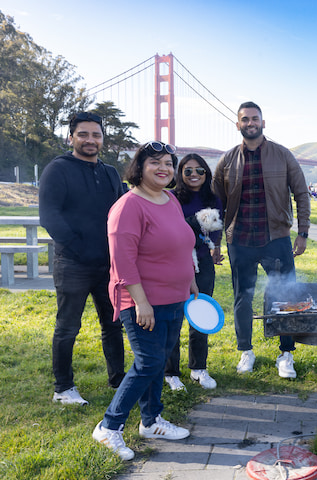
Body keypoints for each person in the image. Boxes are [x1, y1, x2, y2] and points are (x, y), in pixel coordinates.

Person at [92, 141, 198, 461]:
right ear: (140, 167)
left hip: (174, 297)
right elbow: (122, 261)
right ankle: (109, 427)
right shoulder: (128, 206)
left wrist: (190, 278)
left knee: (159, 358)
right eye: (155, 162)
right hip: (141, 301)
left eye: (168, 162)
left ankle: (151, 421)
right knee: (148, 362)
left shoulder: (170, 200)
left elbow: (180, 242)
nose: (163, 168)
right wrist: (141, 302)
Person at [213, 101, 311, 378]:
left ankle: (286, 354)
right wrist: (215, 242)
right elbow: (216, 203)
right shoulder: (227, 159)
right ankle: (246, 351)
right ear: (238, 124)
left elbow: (301, 194)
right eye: (245, 119)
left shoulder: (282, 155)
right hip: (239, 240)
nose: (250, 123)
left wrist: (302, 232)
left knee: (285, 295)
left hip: (276, 238)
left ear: (263, 122)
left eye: (255, 118)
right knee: (242, 297)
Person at [39, 111, 125, 406]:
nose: (90, 140)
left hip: (108, 265)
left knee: (113, 324)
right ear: (71, 137)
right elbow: (50, 216)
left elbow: (123, 212)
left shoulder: (111, 172)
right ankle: (63, 388)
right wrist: (80, 248)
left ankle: (119, 381)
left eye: (96, 135)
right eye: (84, 134)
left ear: (103, 138)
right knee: (67, 327)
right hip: (72, 263)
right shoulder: (57, 169)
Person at [163, 154, 223, 391]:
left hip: (203, 262)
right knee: (174, 315)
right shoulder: (171, 197)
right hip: (174, 260)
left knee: (201, 310)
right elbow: (169, 228)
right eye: (188, 171)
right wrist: (196, 222)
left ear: (206, 173)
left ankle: (199, 368)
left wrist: (215, 247)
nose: (194, 175)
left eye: (200, 171)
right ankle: (171, 372)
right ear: (180, 174)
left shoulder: (213, 198)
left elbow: (217, 227)